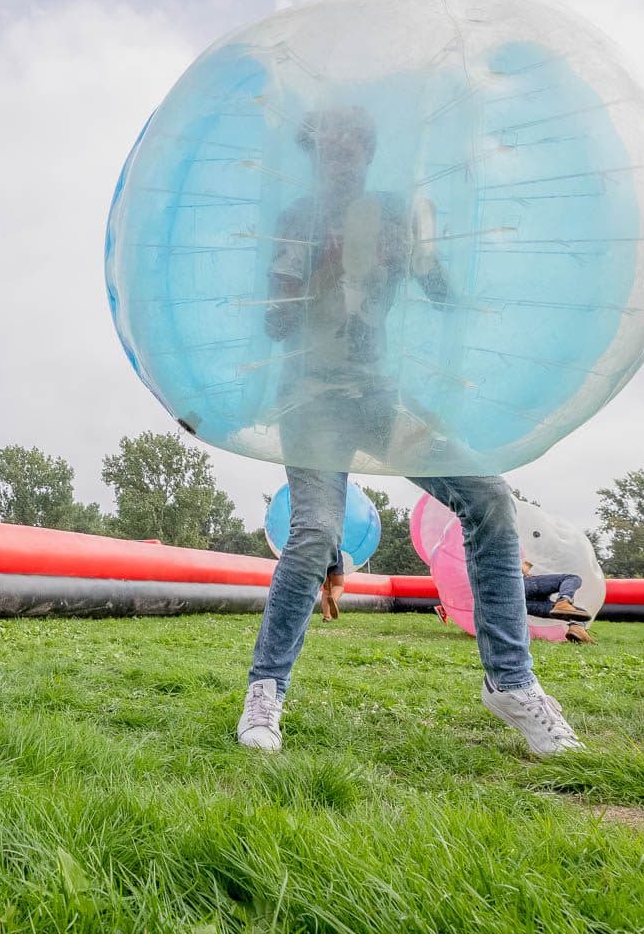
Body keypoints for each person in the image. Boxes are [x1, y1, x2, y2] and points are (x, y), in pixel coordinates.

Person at [238, 105, 582, 757]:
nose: (344, 154)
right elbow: (276, 326)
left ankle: (512, 684)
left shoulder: (395, 212)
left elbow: (444, 293)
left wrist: (430, 249)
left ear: (368, 152)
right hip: (310, 400)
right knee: (314, 535)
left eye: (357, 143)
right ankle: (266, 690)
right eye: (331, 145)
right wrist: (324, 268)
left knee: (487, 498)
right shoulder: (296, 222)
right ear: (315, 154)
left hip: (374, 396)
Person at [521, 558, 595, 644]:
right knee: (572, 578)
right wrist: (526, 565)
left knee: (581, 614)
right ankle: (563, 601)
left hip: (514, 603)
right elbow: (522, 568)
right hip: (518, 586)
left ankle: (577, 630)